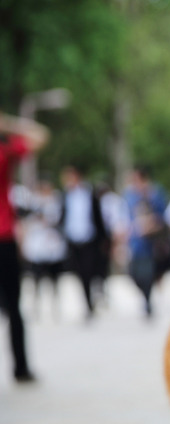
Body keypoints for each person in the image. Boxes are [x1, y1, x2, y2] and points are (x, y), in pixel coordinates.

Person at [0, 111, 48, 383]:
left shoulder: (5, 150)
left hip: (4, 237)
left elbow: (40, 138)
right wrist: (9, 123)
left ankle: (21, 366)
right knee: (14, 307)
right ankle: (21, 368)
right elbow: (40, 135)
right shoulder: (5, 150)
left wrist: (7, 124)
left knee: (15, 308)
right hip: (4, 238)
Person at [59, 166, 109, 321]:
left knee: (91, 270)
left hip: (90, 239)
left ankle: (96, 293)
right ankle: (88, 303)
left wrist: (104, 239)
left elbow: (98, 218)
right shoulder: (65, 196)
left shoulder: (90, 194)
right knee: (81, 273)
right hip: (74, 240)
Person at [124, 166, 169, 317]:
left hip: (151, 242)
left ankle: (148, 302)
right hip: (135, 241)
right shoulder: (130, 195)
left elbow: (164, 217)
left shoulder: (155, 193)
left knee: (147, 273)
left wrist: (152, 224)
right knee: (133, 273)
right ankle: (145, 297)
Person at [20, 179, 66, 320]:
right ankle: (36, 307)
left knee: (54, 280)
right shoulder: (33, 204)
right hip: (38, 249)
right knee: (36, 280)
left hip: (52, 247)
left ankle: (55, 307)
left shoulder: (56, 202)